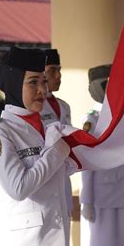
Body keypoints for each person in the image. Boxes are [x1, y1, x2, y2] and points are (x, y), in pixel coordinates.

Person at [0, 47, 75, 246]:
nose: (42, 89)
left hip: (54, 240)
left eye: (43, 81)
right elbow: (18, 188)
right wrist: (57, 152)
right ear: (15, 85)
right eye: (33, 82)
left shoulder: (47, 128)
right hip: (22, 244)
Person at [79, 64, 124, 246]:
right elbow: (86, 162)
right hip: (102, 196)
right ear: (97, 87)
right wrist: (86, 200)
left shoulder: (120, 116)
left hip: (122, 190)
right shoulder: (91, 121)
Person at [40, 49, 73, 220]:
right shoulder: (35, 107)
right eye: (52, 70)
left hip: (64, 177)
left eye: (59, 70)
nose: (58, 75)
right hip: (44, 179)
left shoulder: (64, 106)